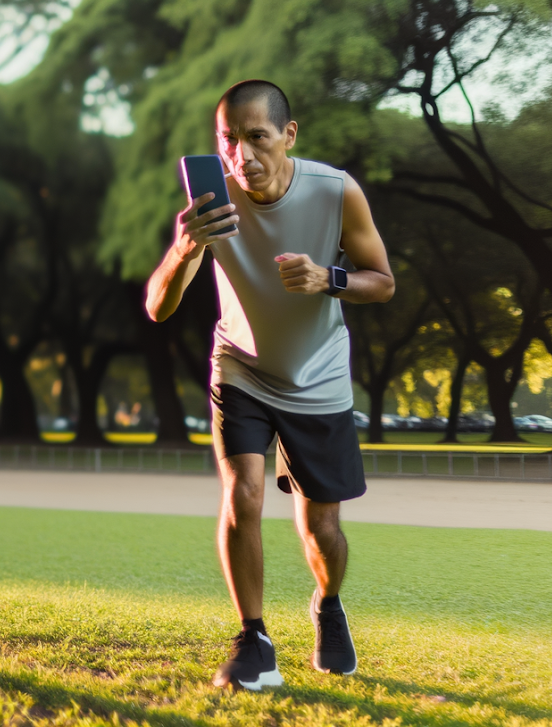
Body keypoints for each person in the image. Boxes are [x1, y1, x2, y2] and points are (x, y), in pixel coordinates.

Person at [144, 80, 394, 691]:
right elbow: (157, 308)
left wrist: (328, 278)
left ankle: (328, 606)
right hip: (241, 367)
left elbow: (382, 282)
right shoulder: (212, 201)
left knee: (322, 530)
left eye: (256, 138)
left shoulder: (336, 191)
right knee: (245, 494)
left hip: (319, 376)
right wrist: (185, 248)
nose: (241, 155)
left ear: (288, 135)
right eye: (227, 140)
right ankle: (253, 639)